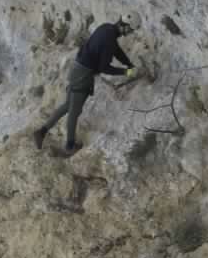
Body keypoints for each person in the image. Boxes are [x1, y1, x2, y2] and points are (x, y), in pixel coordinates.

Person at [33, 14, 140, 153]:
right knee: (74, 111)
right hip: (83, 75)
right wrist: (126, 72)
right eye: (130, 30)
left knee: (67, 106)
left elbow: (116, 50)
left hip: (77, 68)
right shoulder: (110, 39)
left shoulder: (107, 28)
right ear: (125, 26)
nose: (130, 33)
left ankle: (41, 132)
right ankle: (70, 145)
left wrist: (129, 64)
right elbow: (104, 68)